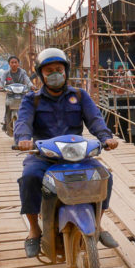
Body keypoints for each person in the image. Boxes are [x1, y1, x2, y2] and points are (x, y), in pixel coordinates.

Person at [14, 48, 119, 257]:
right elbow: (23, 121)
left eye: (58, 69)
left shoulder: (80, 96)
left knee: (104, 176)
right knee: (29, 178)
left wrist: (105, 138)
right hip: (43, 155)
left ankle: (98, 224)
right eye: (49, 70)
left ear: (66, 71)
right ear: (41, 74)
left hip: (76, 154)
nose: (54, 73)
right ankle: (34, 230)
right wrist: (23, 140)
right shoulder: (31, 99)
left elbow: (95, 119)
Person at [1, 55, 34, 132]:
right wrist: (0, 86)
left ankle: (29, 123)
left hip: (22, 95)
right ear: (9, 64)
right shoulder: (6, 73)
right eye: (12, 62)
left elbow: (27, 80)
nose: (14, 64)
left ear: (18, 63)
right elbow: (2, 81)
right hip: (10, 95)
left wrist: (31, 86)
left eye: (15, 62)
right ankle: (6, 122)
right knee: (7, 108)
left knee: (28, 108)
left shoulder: (23, 72)